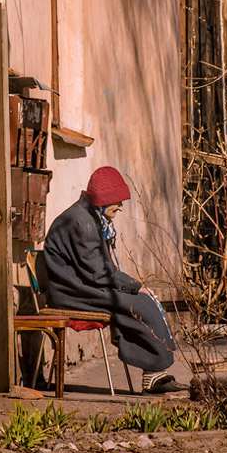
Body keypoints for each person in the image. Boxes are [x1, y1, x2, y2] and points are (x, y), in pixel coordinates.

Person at [42, 166, 186, 394]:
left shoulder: (88, 217)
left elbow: (98, 269)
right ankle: (153, 375)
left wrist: (131, 288)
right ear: (104, 199)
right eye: (117, 201)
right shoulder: (83, 223)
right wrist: (134, 287)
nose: (120, 206)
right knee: (140, 304)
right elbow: (98, 272)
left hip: (80, 286)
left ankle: (155, 373)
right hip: (71, 293)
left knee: (138, 302)